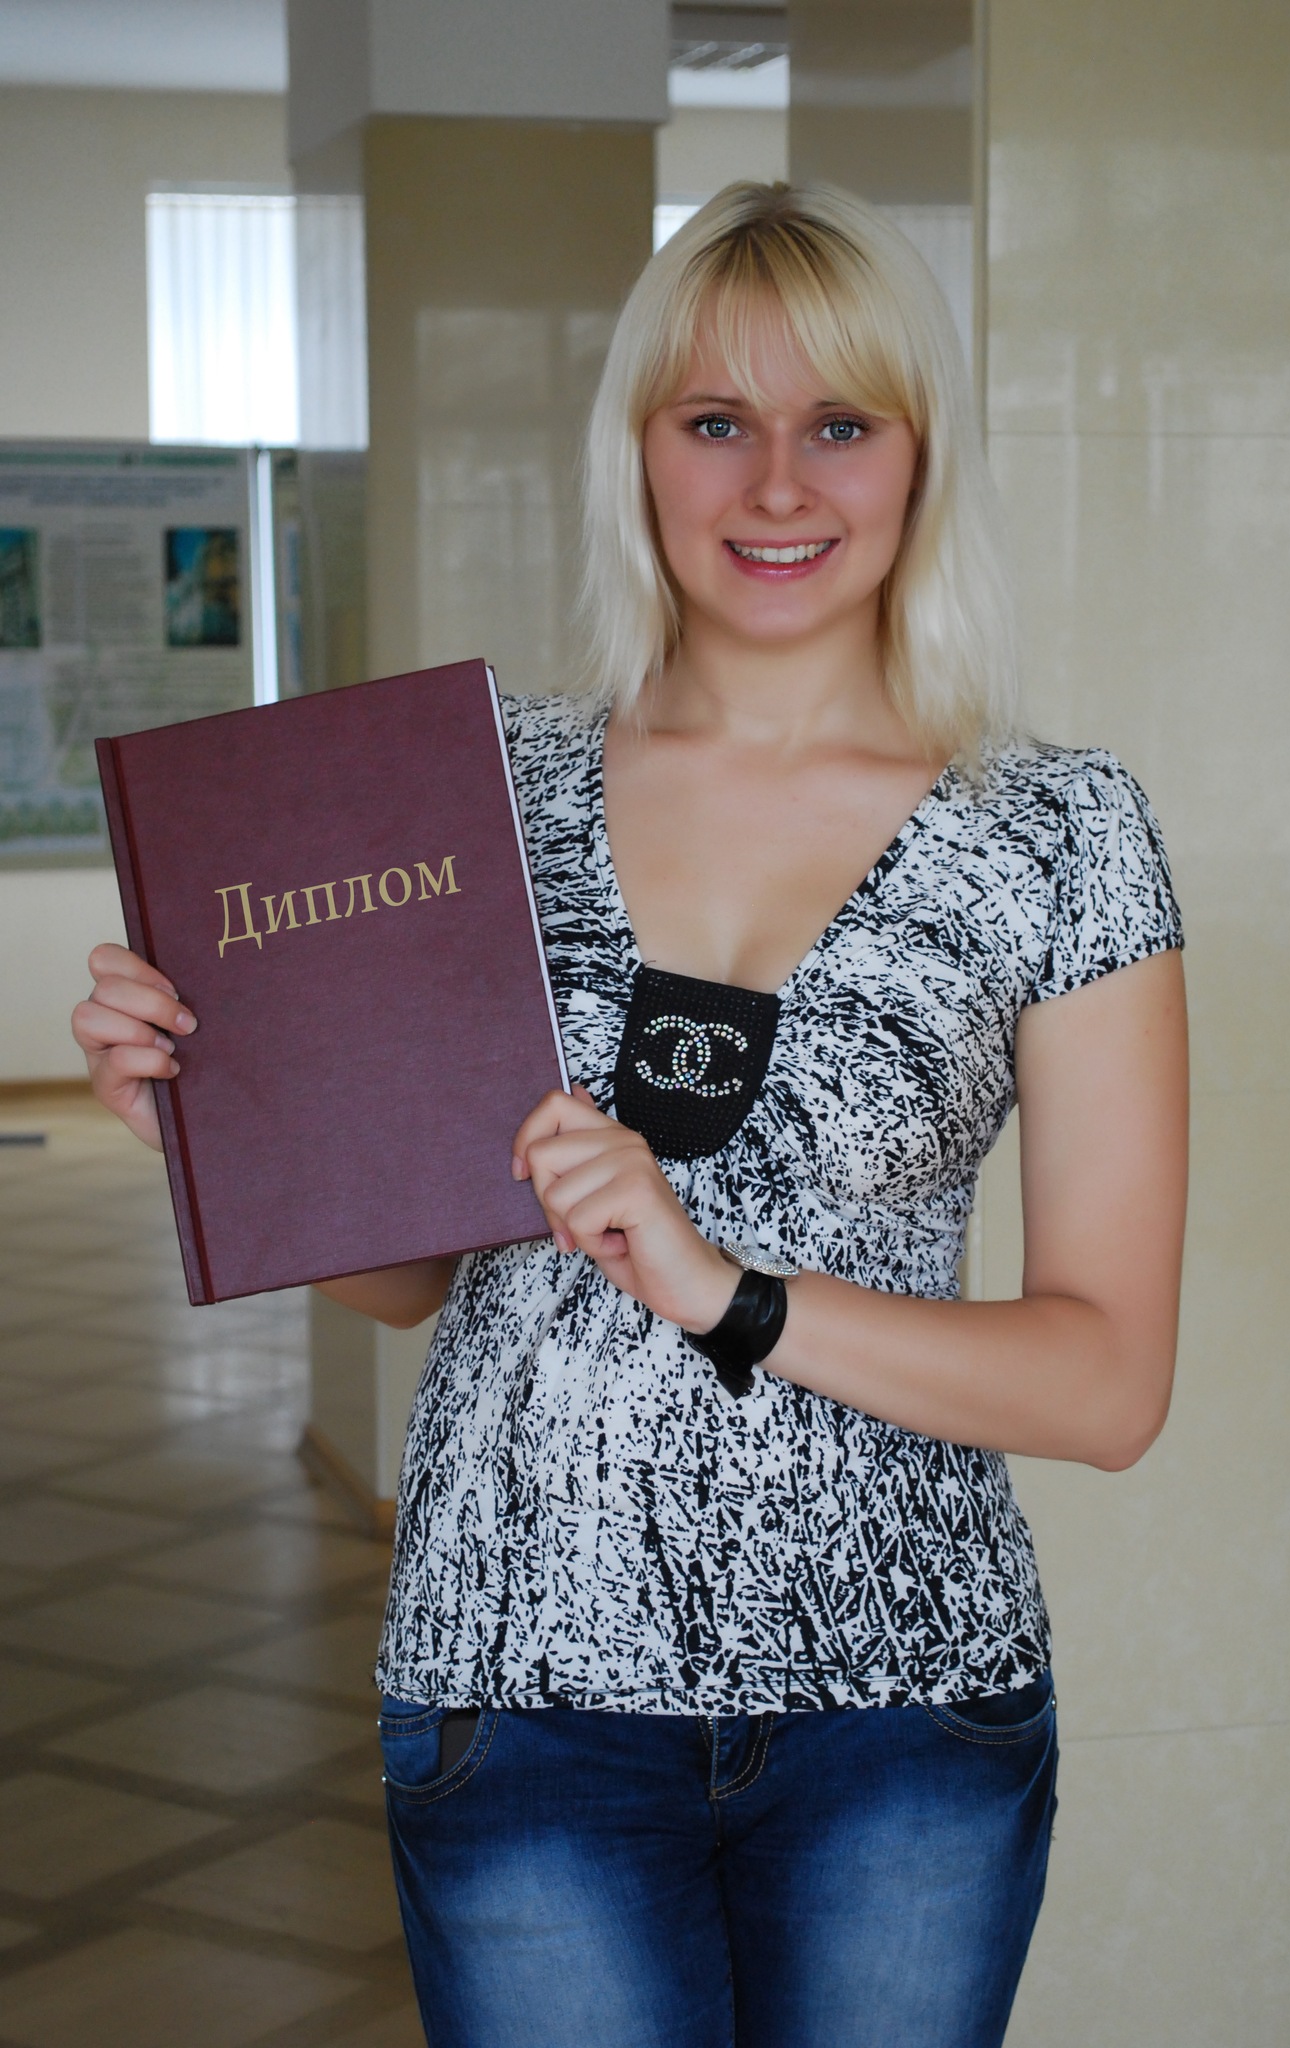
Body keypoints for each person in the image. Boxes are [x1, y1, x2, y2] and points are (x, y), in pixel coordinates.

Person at [73, 182, 1188, 2048]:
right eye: (716, 421)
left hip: (902, 1706)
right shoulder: (476, 787)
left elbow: (1108, 1382)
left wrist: (727, 1293)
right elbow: (412, 1278)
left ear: (922, 455)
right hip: (521, 1693)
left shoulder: (1058, 832)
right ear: (639, 452)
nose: (779, 485)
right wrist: (213, 1115)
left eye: (842, 423)